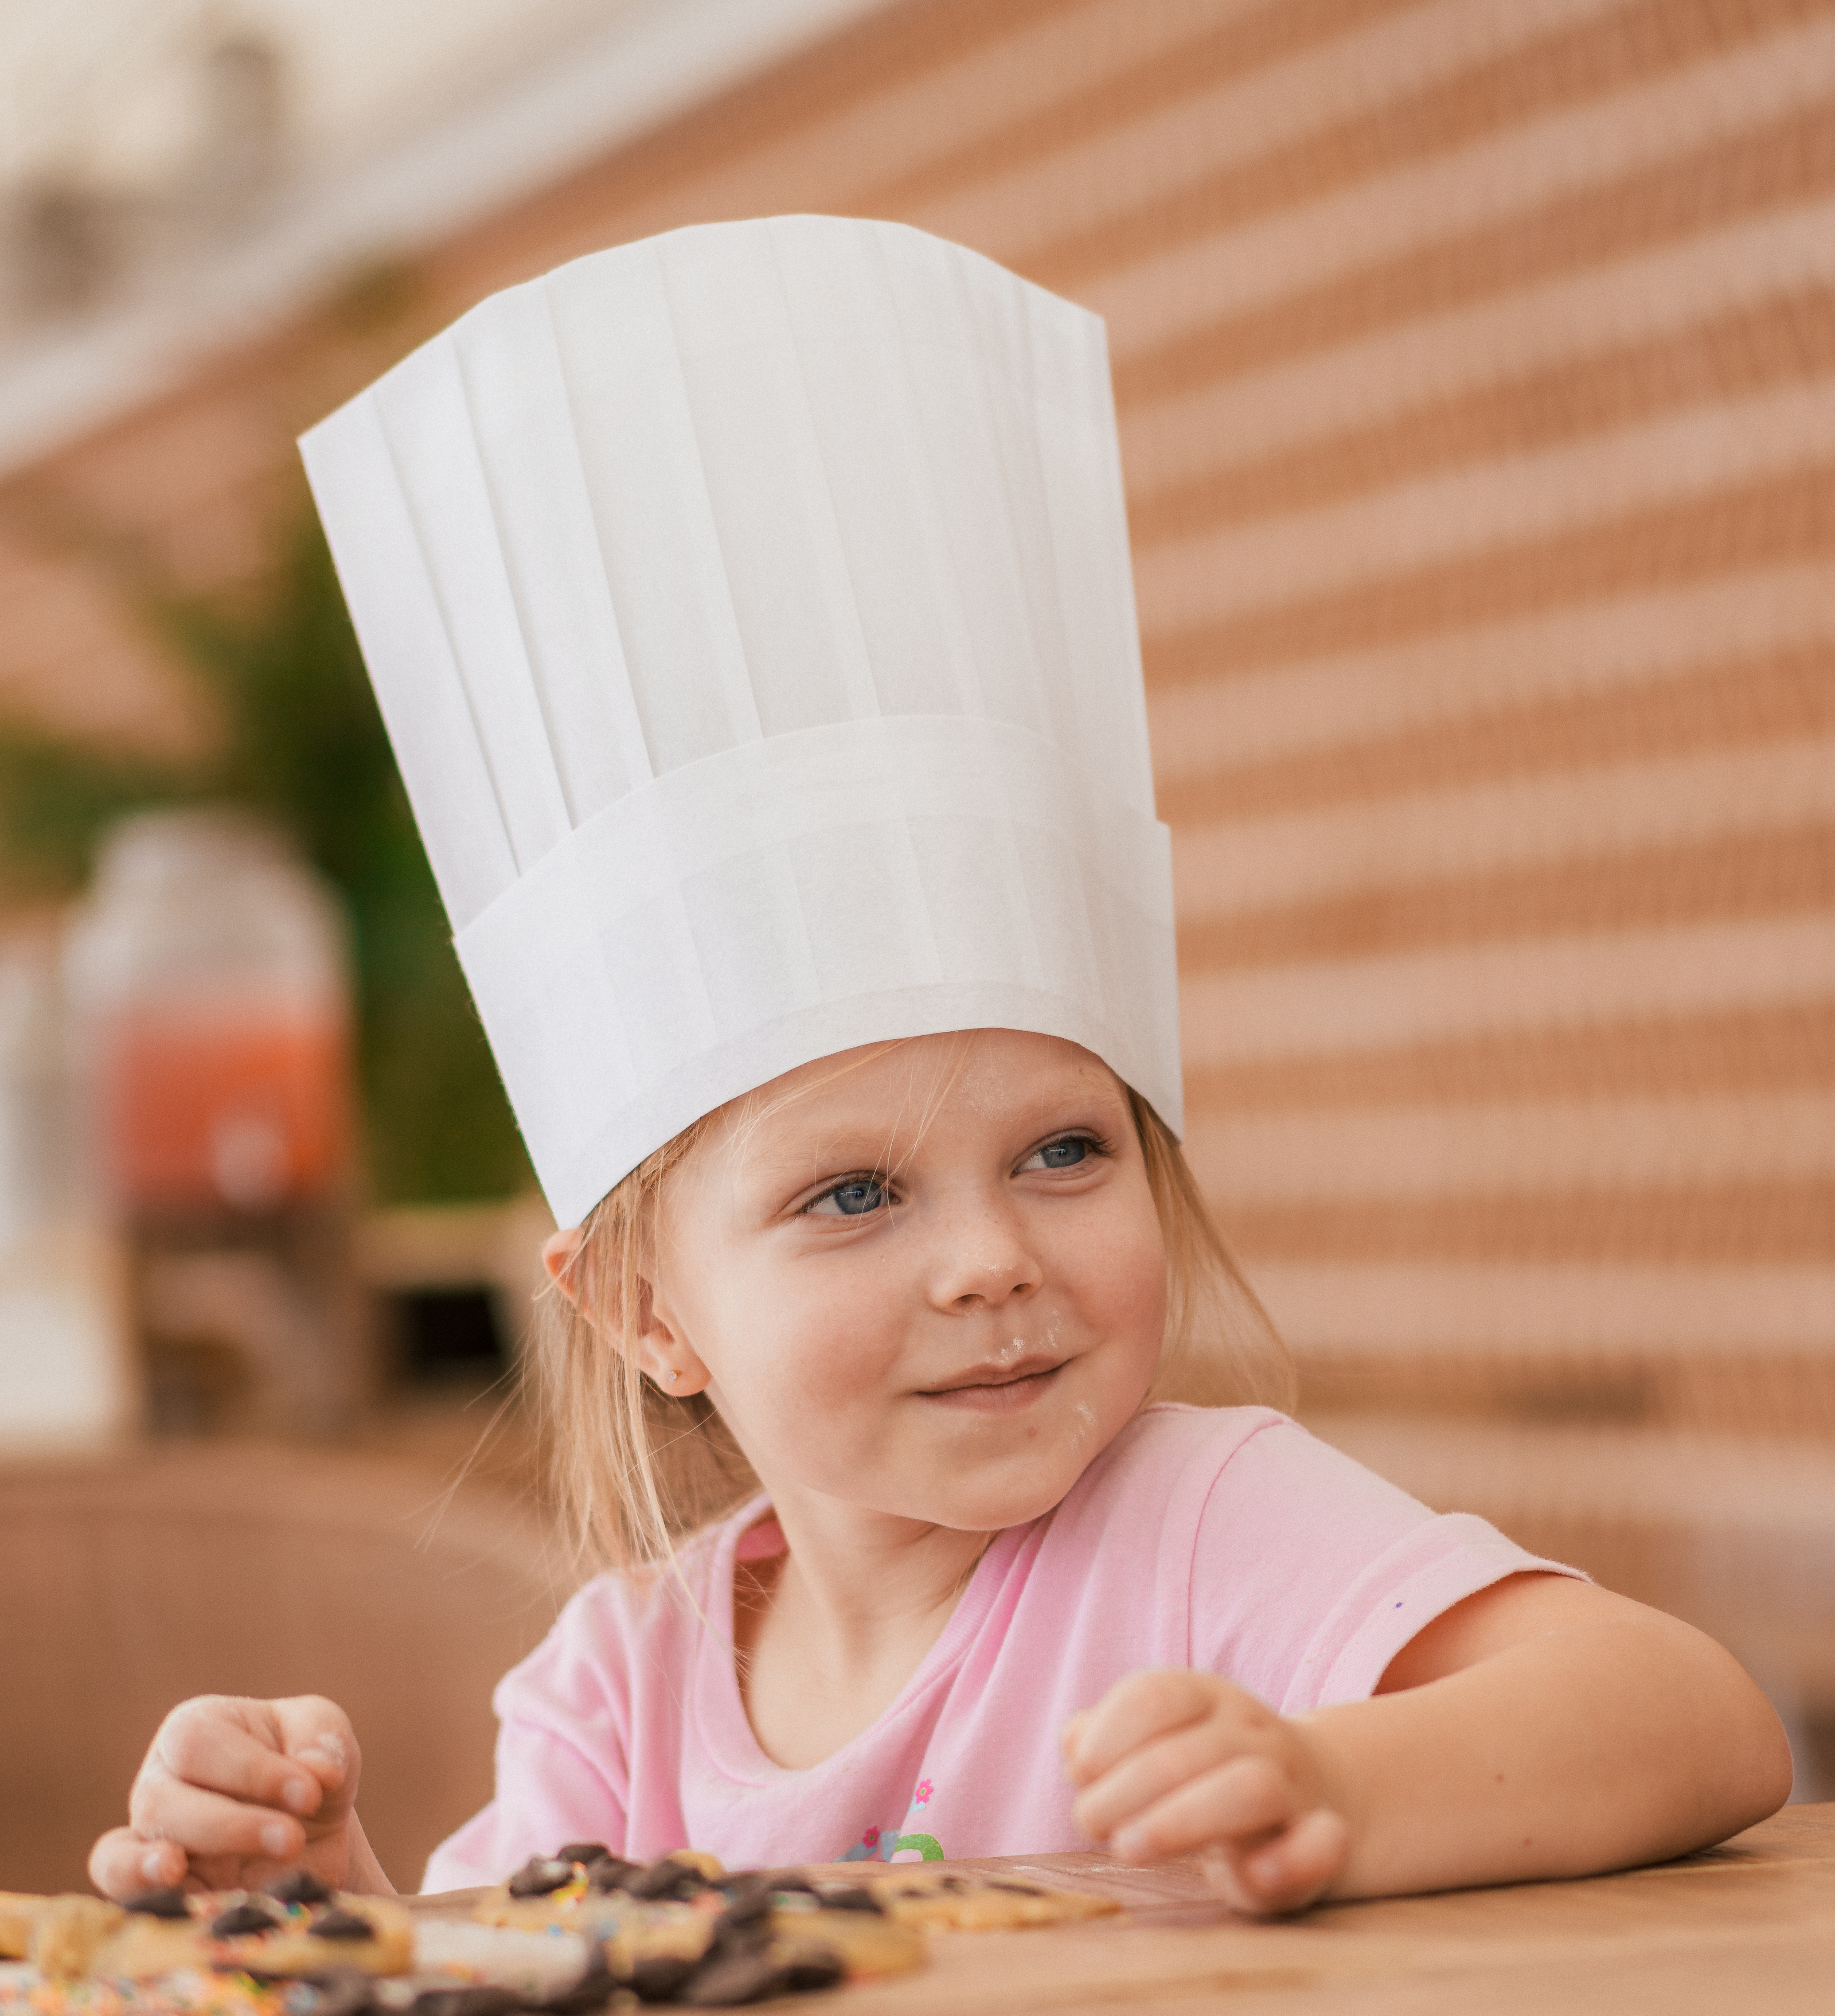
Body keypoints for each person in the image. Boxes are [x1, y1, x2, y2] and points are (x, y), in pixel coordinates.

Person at [88, 219, 1789, 1919]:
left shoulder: (1198, 1527)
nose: (993, 1260)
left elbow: (1697, 1723)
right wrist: (314, 1894)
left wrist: (1339, 1783)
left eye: (1064, 1152)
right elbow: (522, 2012)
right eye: (853, 1193)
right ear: (643, 1308)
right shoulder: (617, 1695)